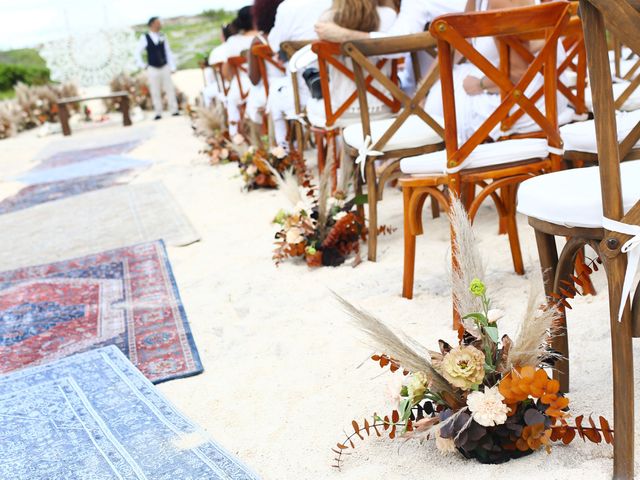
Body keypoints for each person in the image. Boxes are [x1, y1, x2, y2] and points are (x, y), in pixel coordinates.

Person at [424, 0, 571, 142]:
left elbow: (517, 72)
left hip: (533, 99)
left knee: (444, 102)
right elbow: (456, 45)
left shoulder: (498, 3)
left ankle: (457, 156)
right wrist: (423, 89)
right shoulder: (476, 2)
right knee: (445, 87)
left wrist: (479, 84)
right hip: (536, 87)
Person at [314, 0, 468, 93]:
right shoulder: (388, 15)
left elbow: (397, 43)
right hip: (394, 98)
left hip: (429, 90)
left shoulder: (326, 19)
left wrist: (346, 36)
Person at [305, 0, 398, 127]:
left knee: (309, 104)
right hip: (385, 108)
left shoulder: (326, 19)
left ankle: (336, 145)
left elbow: (324, 68)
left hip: (340, 111)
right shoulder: (389, 15)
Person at [265, 0, 333, 148]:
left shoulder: (287, 7)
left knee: (275, 90)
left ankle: (283, 151)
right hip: (338, 88)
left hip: (303, 92)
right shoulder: (333, 3)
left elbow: (275, 44)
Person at [245, 0, 286, 127]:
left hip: (269, 92)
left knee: (252, 97)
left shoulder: (258, 41)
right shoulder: (288, 34)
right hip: (299, 86)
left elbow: (254, 79)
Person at [219, 6, 258, 136]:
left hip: (243, 85)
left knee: (232, 99)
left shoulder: (232, 41)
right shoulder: (265, 37)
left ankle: (235, 134)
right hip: (266, 84)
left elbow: (226, 70)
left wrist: (234, 80)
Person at [135, 17, 179, 120]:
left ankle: (174, 110)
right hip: (152, 68)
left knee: (170, 88)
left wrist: (172, 66)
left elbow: (168, 52)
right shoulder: (145, 37)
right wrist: (143, 65)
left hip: (164, 66)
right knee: (155, 90)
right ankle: (158, 112)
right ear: (152, 25)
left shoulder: (163, 36)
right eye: (157, 23)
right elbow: (137, 53)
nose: (160, 25)